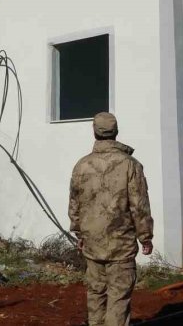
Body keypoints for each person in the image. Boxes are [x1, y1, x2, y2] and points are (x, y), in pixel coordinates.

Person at [69, 112, 153, 326]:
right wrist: (145, 236)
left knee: (96, 293)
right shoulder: (130, 165)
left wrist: (79, 232)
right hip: (120, 244)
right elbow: (139, 205)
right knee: (118, 296)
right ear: (116, 131)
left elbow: (75, 203)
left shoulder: (82, 165)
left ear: (94, 132)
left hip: (92, 242)